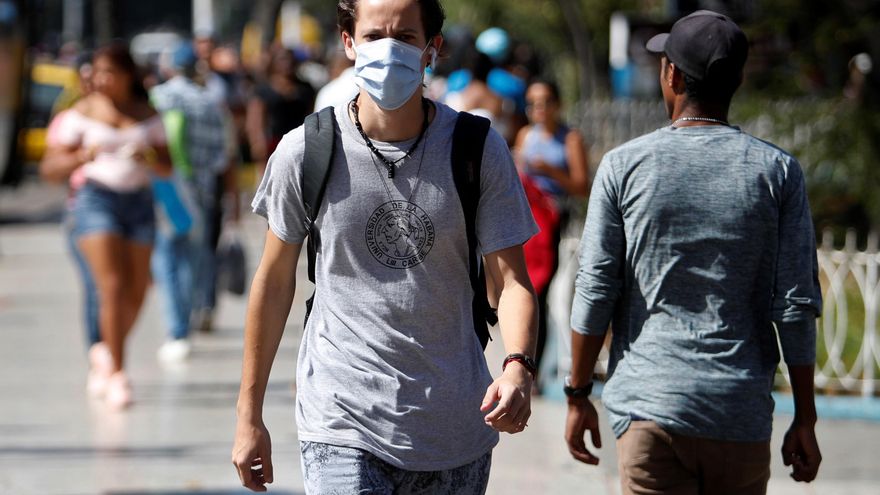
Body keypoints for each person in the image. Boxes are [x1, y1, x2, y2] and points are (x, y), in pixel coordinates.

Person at [231, 0, 539, 493]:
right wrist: (249, 415)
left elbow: (512, 281)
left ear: (432, 50)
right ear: (349, 42)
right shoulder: (307, 149)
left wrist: (518, 365)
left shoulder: (477, 149)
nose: (388, 50)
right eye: (374, 36)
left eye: (406, 37)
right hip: (340, 417)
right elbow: (272, 284)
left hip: (455, 421)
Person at [565, 11, 823, 494]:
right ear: (739, 79)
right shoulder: (779, 172)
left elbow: (597, 288)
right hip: (738, 412)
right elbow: (794, 303)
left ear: (673, 75)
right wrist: (805, 417)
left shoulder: (624, 167)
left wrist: (578, 393)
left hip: (651, 409)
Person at [40, 42, 171, 409]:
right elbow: (49, 169)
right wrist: (82, 155)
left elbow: (167, 166)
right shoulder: (79, 113)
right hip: (94, 201)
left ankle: (104, 350)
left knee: (138, 289)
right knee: (110, 287)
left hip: (139, 202)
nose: (101, 79)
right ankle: (117, 372)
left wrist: (148, 157)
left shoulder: (147, 113)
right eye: (97, 72)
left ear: (127, 75)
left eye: (109, 72)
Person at [150, 41, 236, 358]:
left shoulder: (159, 98)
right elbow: (221, 157)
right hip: (200, 194)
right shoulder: (209, 103)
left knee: (166, 258)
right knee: (193, 258)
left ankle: (177, 329)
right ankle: (189, 316)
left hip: (167, 192)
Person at [514, 78, 589, 375]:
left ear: (557, 104)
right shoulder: (525, 135)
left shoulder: (569, 139)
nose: (538, 109)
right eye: (532, 103)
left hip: (556, 221)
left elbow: (581, 185)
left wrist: (551, 172)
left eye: (544, 102)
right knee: (524, 287)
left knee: (545, 292)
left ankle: (538, 365)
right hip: (527, 219)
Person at [246, 46, 316, 176]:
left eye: (289, 60)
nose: (286, 63)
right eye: (282, 60)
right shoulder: (264, 89)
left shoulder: (305, 88)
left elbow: (312, 113)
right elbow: (255, 118)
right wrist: (257, 142)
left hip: (300, 142)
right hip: (273, 142)